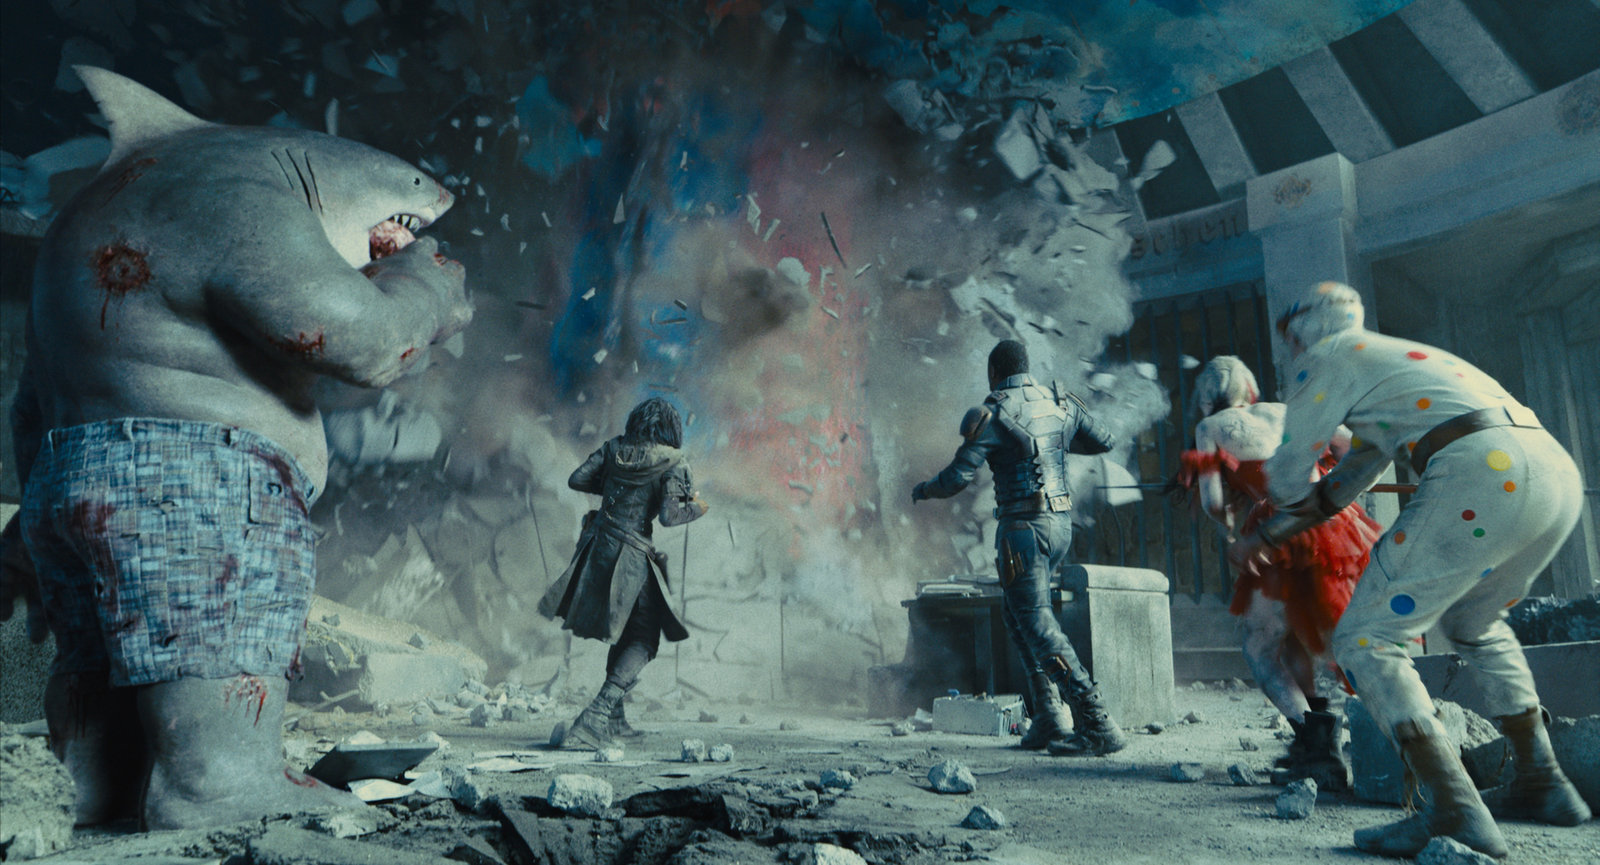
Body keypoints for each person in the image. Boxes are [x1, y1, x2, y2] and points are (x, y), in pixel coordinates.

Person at [0, 68, 472, 830]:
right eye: (411, 202)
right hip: (193, 491)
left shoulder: (89, 211)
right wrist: (427, 288)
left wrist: (27, 531)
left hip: (69, 480)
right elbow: (367, 341)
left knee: (100, 718)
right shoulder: (245, 189)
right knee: (217, 758)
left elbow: (32, 402)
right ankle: (221, 785)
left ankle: (103, 793)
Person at [1230, 282, 1590, 860]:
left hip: (1482, 471)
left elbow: (1292, 466)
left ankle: (1453, 807)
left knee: (1365, 639)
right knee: (1475, 624)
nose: (1288, 349)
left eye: (1287, 335)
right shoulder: (1388, 366)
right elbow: (1347, 483)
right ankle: (1542, 780)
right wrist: (1269, 536)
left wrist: (1260, 524)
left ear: (1301, 329)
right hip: (1552, 474)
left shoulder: (1329, 356)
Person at [911, 339, 1126, 756]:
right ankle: (1049, 715)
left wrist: (924, 489)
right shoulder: (1061, 403)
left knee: (1038, 625)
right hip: (1059, 526)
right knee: (1018, 616)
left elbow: (957, 478)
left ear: (994, 372)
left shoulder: (993, 413)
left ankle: (1097, 721)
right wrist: (1057, 439)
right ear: (1026, 368)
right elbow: (1104, 440)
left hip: (1023, 530)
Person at [1175, 355, 1380, 790]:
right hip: (1336, 524)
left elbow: (1212, 503)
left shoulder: (1210, 428)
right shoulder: (1286, 411)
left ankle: (1317, 746)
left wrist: (1231, 523)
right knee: (1335, 637)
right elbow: (1355, 448)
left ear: (1206, 396)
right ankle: (1392, 731)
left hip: (1278, 532)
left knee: (1260, 647)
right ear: (1248, 386)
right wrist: (1330, 485)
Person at [539, 397, 707, 750]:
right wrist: (698, 507)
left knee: (625, 631)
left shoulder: (614, 448)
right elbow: (670, 516)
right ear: (670, 429)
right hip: (631, 554)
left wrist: (617, 485)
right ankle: (596, 716)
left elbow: (578, 479)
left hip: (599, 547)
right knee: (644, 638)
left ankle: (614, 719)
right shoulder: (673, 460)